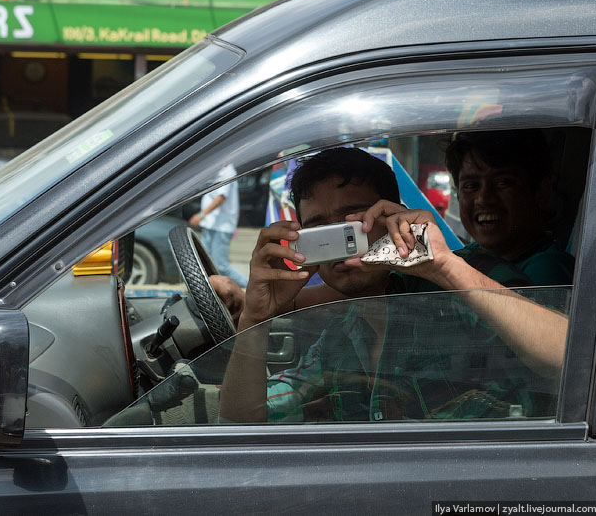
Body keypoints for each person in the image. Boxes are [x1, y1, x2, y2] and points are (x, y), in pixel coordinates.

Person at [219, 137, 572, 423]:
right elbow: (242, 423)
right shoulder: (339, 339)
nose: (339, 244)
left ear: (391, 217)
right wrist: (256, 319)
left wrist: (442, 266)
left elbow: (574, 359)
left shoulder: (470, 278)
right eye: (319, 230)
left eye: (352, 223)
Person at [189, 164, 248, 288]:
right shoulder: (216, 170)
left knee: (221, 266)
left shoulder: (228, 172)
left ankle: (249, 285)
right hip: (211, 224)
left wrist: (201, 215)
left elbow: (221, 197)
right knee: (202, 262)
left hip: (222, 226)